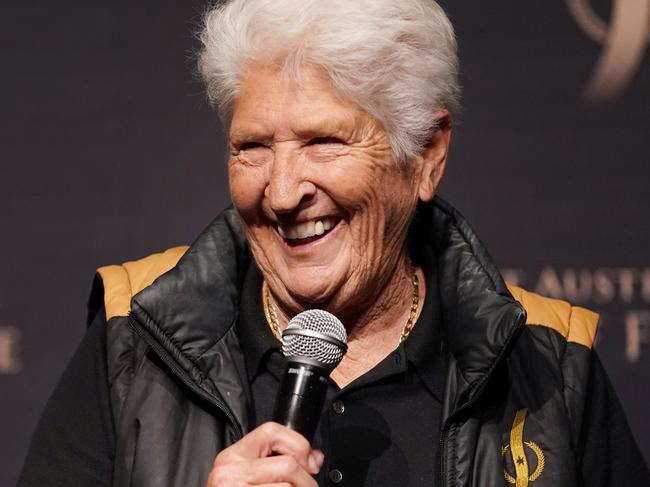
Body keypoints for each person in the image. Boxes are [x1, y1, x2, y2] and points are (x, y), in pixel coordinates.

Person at [19, 0, 649, 486]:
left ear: (427, 155)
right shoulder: (133, 343)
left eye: (324, 141)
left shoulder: (550, 366)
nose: (284, 191)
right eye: (253, 147)